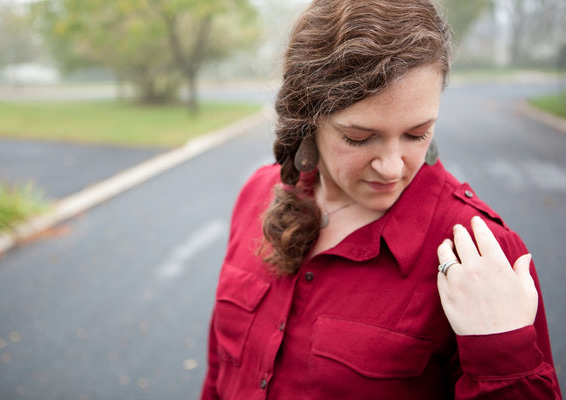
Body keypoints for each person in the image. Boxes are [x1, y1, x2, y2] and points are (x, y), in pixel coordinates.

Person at [200, 0, 562, 398]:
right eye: (359, 137)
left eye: (417, 133)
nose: (391, 168)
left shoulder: (479, 254)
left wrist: (502, 355)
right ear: (307, 118)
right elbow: (220, 371)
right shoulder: (257, 194)